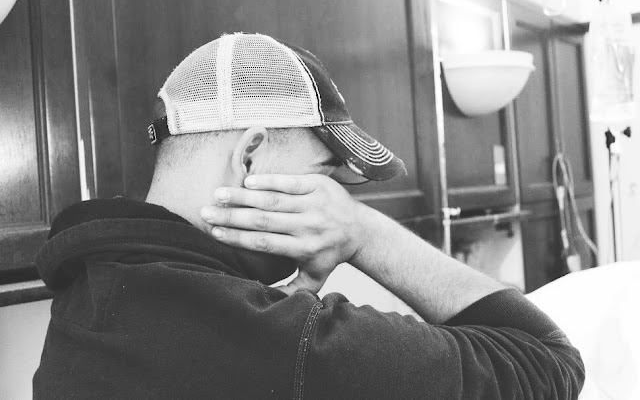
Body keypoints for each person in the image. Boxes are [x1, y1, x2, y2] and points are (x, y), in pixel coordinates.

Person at [33, 33, 584, 399]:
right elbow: (548, 362)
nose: (333, 204)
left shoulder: (85, 299)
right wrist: (362, 232)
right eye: (325, 177)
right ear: (250, 158)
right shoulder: (284, 343)